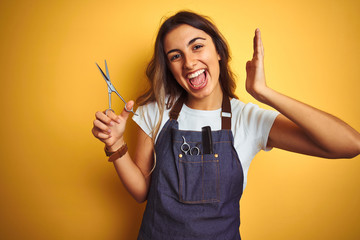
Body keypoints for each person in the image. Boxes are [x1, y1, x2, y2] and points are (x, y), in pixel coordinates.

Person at [92, 11, 360, 240]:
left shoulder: (247, 119)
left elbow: (350, 145)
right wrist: (116, 145)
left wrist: (264, 92)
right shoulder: (155, 112)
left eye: (197, 46)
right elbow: (141, 192)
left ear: (218, 51)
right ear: (170, 67)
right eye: (175, 56)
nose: (189, 63)